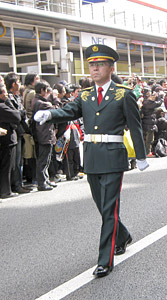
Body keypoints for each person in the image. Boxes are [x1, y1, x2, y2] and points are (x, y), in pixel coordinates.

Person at [34, 44, 149, 278]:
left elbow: (135, 127)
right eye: (92, 65)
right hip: (93, 157)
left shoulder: (123, 93)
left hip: (114, 157)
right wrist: (50, 115)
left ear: (110, 67)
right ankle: (123, 234)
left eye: (100, 64)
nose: (95, 69)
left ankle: (104, 260)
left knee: (109, 209)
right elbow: (68, 111)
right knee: (102, 205)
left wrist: (141, 155)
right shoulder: (85, 95)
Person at [31, 81, 57, 191]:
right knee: (43, 159)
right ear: (42, 90)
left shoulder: (37, 100)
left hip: (43, 133)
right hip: (44, 134)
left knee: (46, 159)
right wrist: (55, 98)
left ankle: (45, 180)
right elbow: (56, 109)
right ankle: (42, 183)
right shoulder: (41, 103)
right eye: (46, 90)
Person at [0, 83, 21, 199]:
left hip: (7, 139)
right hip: (7, 140)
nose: (6, 94)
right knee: (6, 166)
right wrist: (8, 102)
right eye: (3, 92)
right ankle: (5, 190)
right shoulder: (2, 106)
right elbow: (17, 116)